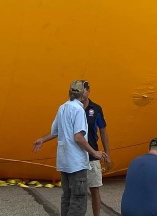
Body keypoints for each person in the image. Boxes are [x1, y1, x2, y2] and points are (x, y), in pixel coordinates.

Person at [34, 80, 110, 216]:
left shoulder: (62, 108)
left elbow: (55, 131)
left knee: (67, 197)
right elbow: (78, 137)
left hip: (64, 163)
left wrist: (42, 140)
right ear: (82, 94)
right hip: (77, 163)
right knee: (78, 199)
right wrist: (95, 152)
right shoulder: (79, 110)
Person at [80, 81, 110, 216]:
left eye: (83, 90)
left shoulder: (96, 109)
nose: (81, 93)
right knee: (77, 191)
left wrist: (107, 154)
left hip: (93, 156)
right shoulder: (72, 107)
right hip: (77, 155)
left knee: (95, 189)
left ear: (88, 91)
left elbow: (103, 131)